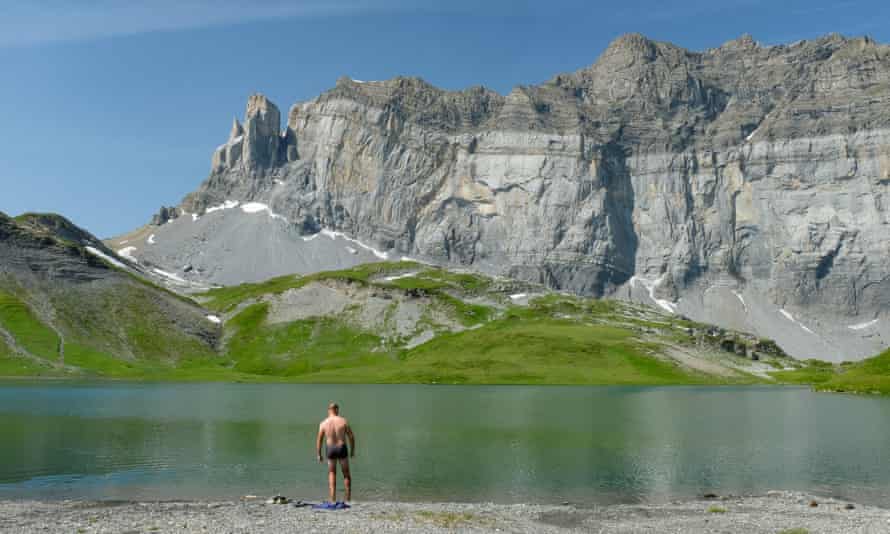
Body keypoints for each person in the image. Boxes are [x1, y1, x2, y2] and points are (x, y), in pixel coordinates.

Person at [316, 402, 356, 503]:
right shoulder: (343, 421)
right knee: (346, 474)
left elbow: (319, 440)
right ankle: (348, 499)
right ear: (337, 409)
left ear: (329, 410)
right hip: (341, 447)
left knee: (332, 473)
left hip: (330, 449)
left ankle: (332, 498)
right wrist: (352, 451)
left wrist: (319, 454)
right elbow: (351, 437)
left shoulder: (323, 423)